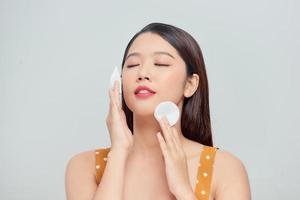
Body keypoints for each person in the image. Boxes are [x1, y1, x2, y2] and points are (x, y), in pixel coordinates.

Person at [65, 22, 251, 200]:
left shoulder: (225, 168)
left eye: (161, 63)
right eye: (132, 65)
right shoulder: (83, 167)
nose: (143, 73)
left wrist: (184, 192)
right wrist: (119, 152)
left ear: (190, 84)